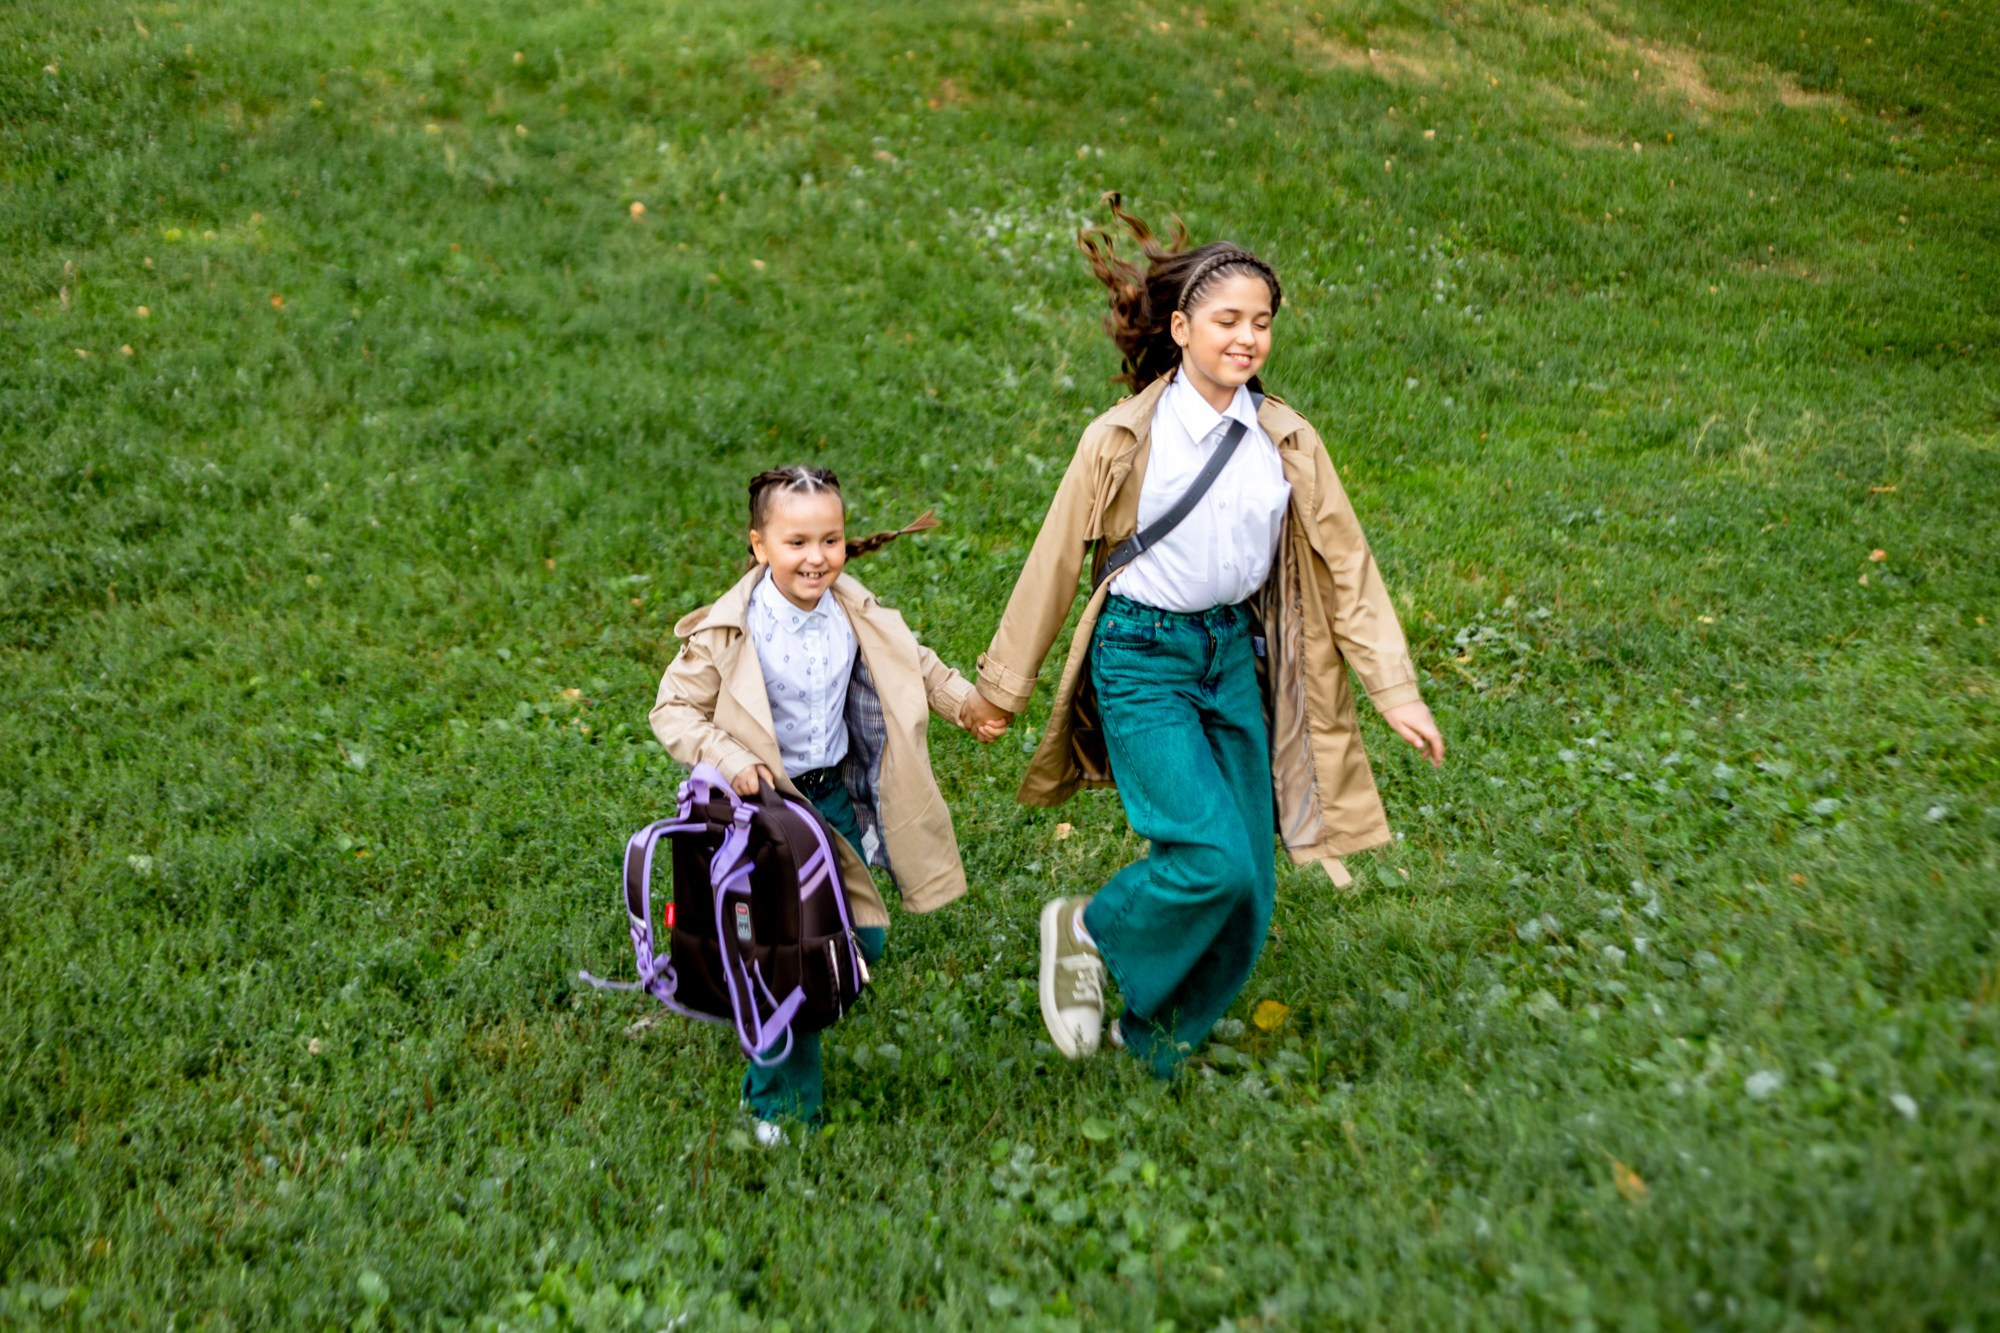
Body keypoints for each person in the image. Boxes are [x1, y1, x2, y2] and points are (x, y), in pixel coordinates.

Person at [970, 195, 1445, 1078]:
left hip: (1231, 658)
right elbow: (1054, 563)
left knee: (1251, 887)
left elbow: (1348, 566)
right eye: (1227, 320)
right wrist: (1002, 686)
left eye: (1261, 322)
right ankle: (1089, 927)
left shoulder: (1286, 440)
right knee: (1212, 858)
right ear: (1182, 329)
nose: (1247, 337)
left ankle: (1156, 1039)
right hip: (1142, 657)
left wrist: (1396, 691)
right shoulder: (1122, 439)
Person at [650, 466, 1008, 1136]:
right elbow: (671, 710)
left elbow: (915, 662)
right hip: (765, 813)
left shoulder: (852, 608)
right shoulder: (731, 631)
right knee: (792, 956)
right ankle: (779, 1105)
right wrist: (732, 758)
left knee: (861, 934)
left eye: (830, 540)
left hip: (830, 797)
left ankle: (780, 998)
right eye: (796, 543)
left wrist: (966, 705)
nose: (816, 557)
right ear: (759, 545)